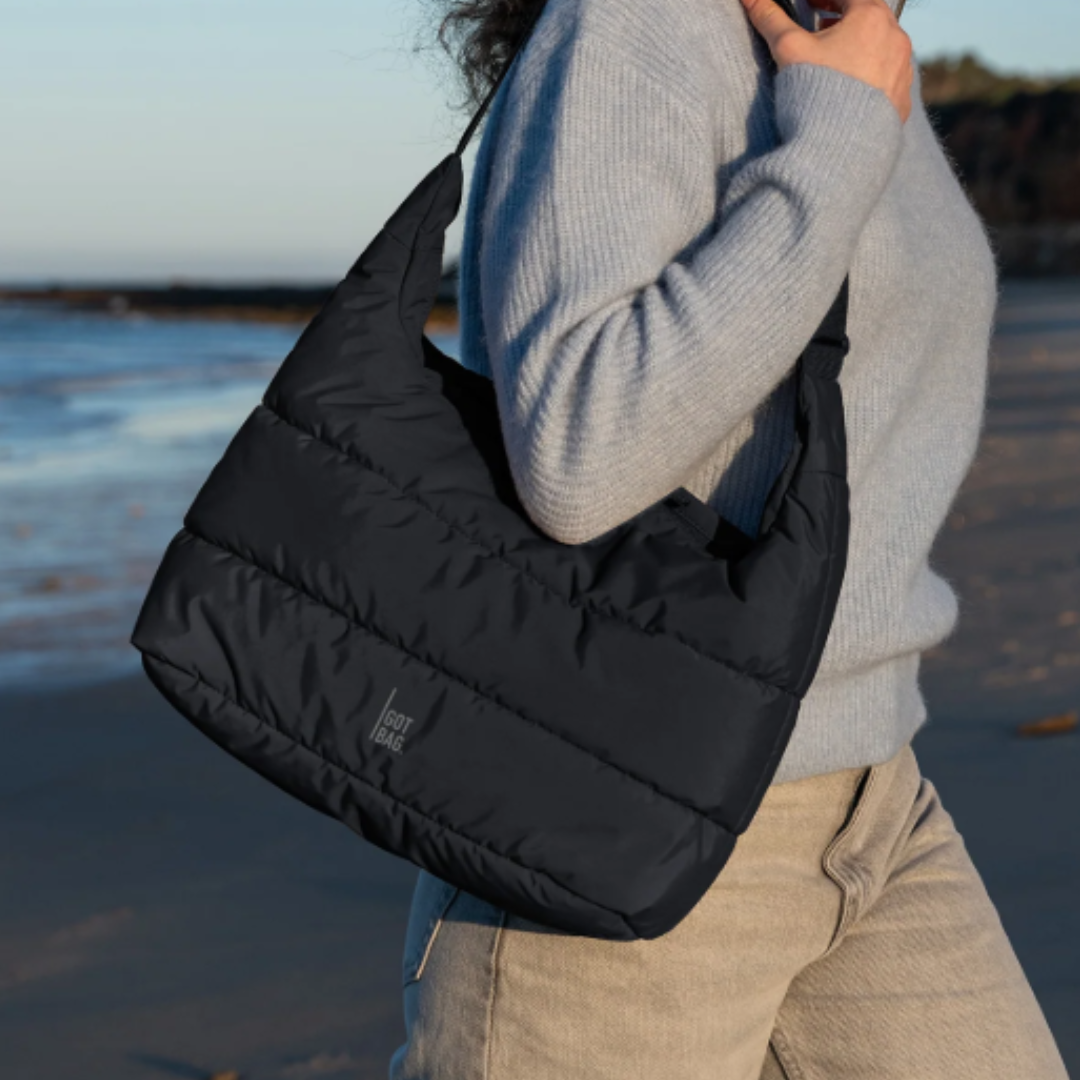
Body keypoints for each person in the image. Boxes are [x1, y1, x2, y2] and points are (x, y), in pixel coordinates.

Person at [389, 0, 1070, 1076]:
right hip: (627, 812)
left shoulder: (847, 43)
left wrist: (840, 109)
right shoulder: (634, 23)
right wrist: (835, 133)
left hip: (869, 800)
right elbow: (578, 453)